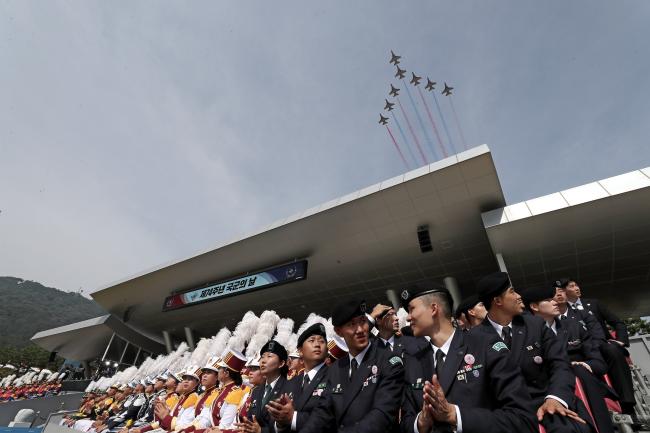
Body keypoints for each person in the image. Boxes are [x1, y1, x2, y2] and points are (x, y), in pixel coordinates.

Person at [400, 283, 537, 433]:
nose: (408, 317)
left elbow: (522, 419)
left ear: (434, 309)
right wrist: (421, 422)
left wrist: (455, 415)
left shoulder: (484, 345)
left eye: (412, 309)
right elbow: (406, 421)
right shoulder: (414, 361)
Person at [474, 273, 589, 433]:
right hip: (505, 412)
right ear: (497, 301)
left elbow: (560, 364)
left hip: (544, 401)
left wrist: (555, 398)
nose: (520, 296)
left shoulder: (534, 325)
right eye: (512, 292)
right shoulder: (474, 338)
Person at [299, 299, 405, 433]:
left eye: (362, 321)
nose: (360, 330)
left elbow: (381, 415)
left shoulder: (388, 360)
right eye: (351, 324)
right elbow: (323, 412)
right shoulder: (336, 368)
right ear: (339, 331)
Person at [562, 278, 636, 418]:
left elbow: (618, 323)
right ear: (563, 292)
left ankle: (627, 403)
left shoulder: (594, 304)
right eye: (571, 286)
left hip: (602, 343)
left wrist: (620, 340)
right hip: (581, 348)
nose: (577, 287)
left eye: (577, 284)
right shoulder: (561, 309)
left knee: (612, 351)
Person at [549, 285, 615, 433]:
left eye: (561, 292)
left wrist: (584, 364)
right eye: (550, 297)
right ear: (534, 307)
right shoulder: (531, 333)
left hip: (585, 378)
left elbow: (598, 362)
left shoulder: (575, 326)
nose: (556, 298)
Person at [268, 323, 331, 432]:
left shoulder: (335, 375)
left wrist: (293, 418)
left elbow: (332, 417)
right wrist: (280, 422)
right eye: (312, 341)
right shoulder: (291, 382)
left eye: (322, 341)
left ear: (327, 350)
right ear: (300, 351)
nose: (317, 344)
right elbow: (274, 422)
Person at [237, 340, 290, 433]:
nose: (263, 361)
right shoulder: (256, 391)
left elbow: (289, 425)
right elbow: (250, 420)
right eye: (262, 357)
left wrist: (261, 431)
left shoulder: (289, 388)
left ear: (281, 363)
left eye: (269, 356)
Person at [192, 350, 247, 432]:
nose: (218, 371)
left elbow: (225, 425)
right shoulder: (220, 391)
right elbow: (206, 416)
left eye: (220, 368)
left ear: (226, 373)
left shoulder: (236, 393)